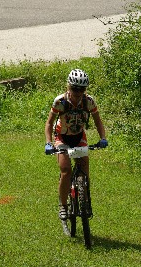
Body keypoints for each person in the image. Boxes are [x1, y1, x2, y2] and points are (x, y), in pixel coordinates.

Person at [44, 69, 108, 221]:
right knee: (66, 170)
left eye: (82, 89)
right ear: (68, 86)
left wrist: (103, 138)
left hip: (79, 137)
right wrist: (48, 143)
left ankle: (85, 201)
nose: (78, 92)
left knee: (84, 170)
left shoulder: (89, 101)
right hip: (62, 138)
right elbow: (49, 123)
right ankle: (63, 206)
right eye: (74, 88)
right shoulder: (60, 102)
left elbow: (98, 120)